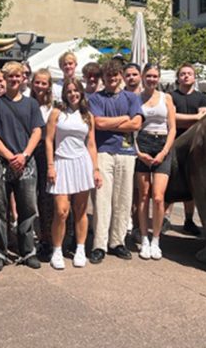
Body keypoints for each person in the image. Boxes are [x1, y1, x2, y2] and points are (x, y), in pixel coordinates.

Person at [0, 61, 45, 272]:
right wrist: (10, 156)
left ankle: (28, 251)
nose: (14, 80)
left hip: (26, 162)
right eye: (10, 77)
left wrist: (24, 154)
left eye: (18, 76)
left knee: (28, 207)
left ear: (23, 78)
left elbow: (37, 131)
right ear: (4, 79)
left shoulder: (31, 105)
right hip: (2, 163)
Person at [87, 59, 143, 264]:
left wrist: (118, 122)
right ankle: (99, 244)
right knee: (102, 200)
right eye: (108, 76)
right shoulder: (95, 98)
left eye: (115, 75)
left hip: (127, 153)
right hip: (103, 152)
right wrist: (124, 119)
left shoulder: (131, 97)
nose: (112, 79)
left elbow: (136, 123)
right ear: (104, 78)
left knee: (123, 200)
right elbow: (98, 123)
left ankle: (117, 241)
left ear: (120, 75)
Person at [46, 78, 102, 269]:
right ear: (64, 94)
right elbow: (48, 140)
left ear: (81, 92)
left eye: (76, 91)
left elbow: (91, 144)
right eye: (69, 91)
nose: (73, 94)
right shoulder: (57, 113)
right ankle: (57, 250)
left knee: (81, 210)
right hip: (61, 162)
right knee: (61, 211)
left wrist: (96, 169)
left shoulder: (88, 116)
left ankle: (80, 249)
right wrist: (50, 166)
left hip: (82, 163)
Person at [135, 64, 176, 260]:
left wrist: (164, 151)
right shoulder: (136, 98)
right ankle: (144, 237)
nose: (151, 79)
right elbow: (132, 128)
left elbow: (173, 128)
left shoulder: (166, 98)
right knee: (143, 195)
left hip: (162, 144)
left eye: (155, 76)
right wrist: (138, 152)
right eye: (148, 76)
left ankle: (156, 239)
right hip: (142, 142)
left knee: (158, 196)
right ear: (143, 77)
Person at [168, 64, 206, 236]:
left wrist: (180, 118)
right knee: (169, 182)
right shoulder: (170, 97)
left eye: (189, 74)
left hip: (194, 147)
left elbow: (205, 119)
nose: (186, 76)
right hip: (172, 144)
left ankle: (188, 220)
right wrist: (194, 118)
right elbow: (171, 119)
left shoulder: (202, 98)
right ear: (178, 77)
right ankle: (165, 218)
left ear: (194, 77)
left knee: (191, 185)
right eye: (183, 74)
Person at [31, 68, 55, 258]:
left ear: (49, 86)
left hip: (50, 152)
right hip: (31, 152)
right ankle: (42, 237)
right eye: (37, 82)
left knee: (50, 196)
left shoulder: (54, 107)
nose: (40, 86)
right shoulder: (27, 103)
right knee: (35, 196)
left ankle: (52, 237)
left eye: (43, 83)